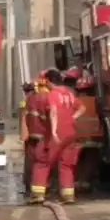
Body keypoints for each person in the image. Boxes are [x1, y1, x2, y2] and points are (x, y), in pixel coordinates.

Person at [39, 69, 85, 204]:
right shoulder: (69, 93)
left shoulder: (52, 94)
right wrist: (72, 118)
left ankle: (39, 195)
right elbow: (82, 108)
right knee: (66, 165)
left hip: (59, 133)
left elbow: (53, 112)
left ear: (48, 81)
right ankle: (68, 196)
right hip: (71, 131)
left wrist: (53, 131)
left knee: (45, 162)